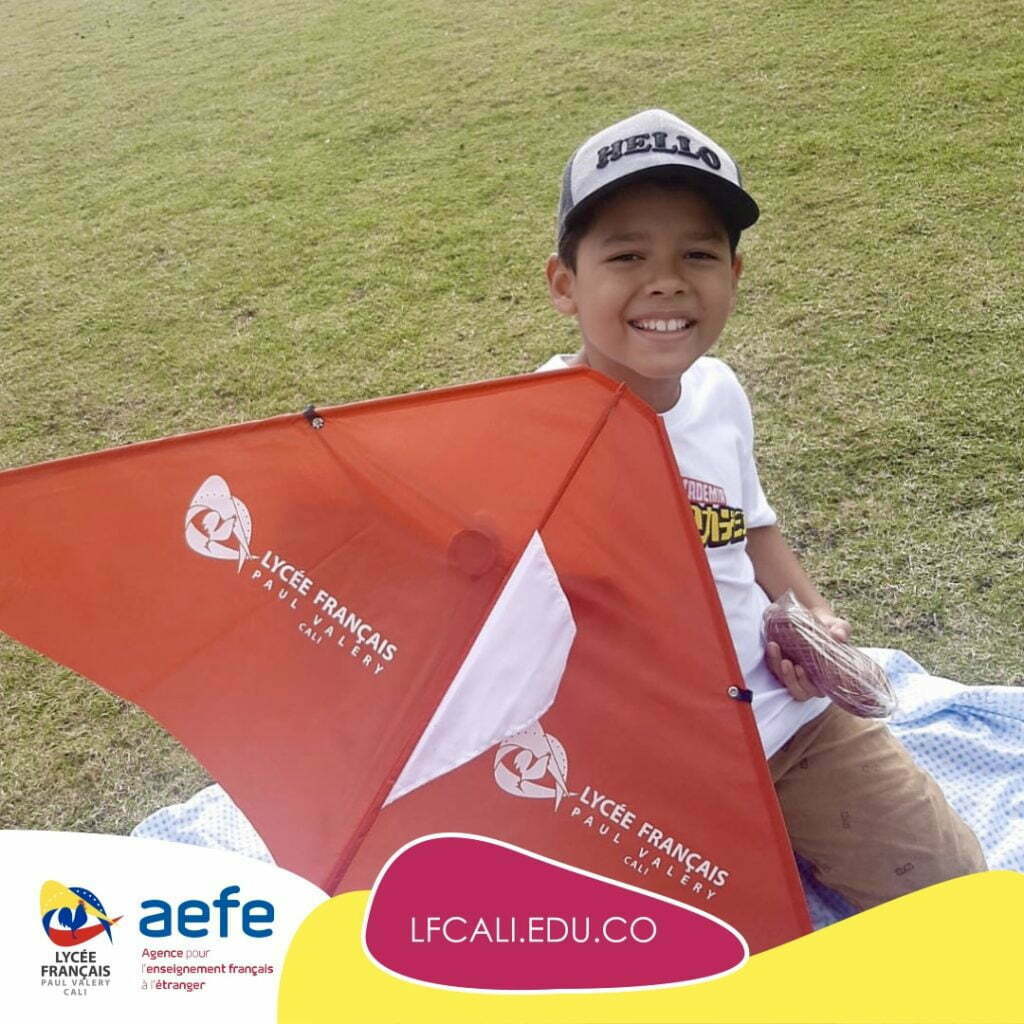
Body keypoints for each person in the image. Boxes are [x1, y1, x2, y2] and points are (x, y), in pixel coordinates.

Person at [538, 108, 985, 912]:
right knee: (697, 955)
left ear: (734, 275)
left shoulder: (718, 392)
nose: (667, 281)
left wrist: (814, 619)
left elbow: (753, 529)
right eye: (627, 255)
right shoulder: (532, 433)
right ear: (565, 283)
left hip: (790, 720)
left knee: (956, 905)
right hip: (642, 766)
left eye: (698, 254)